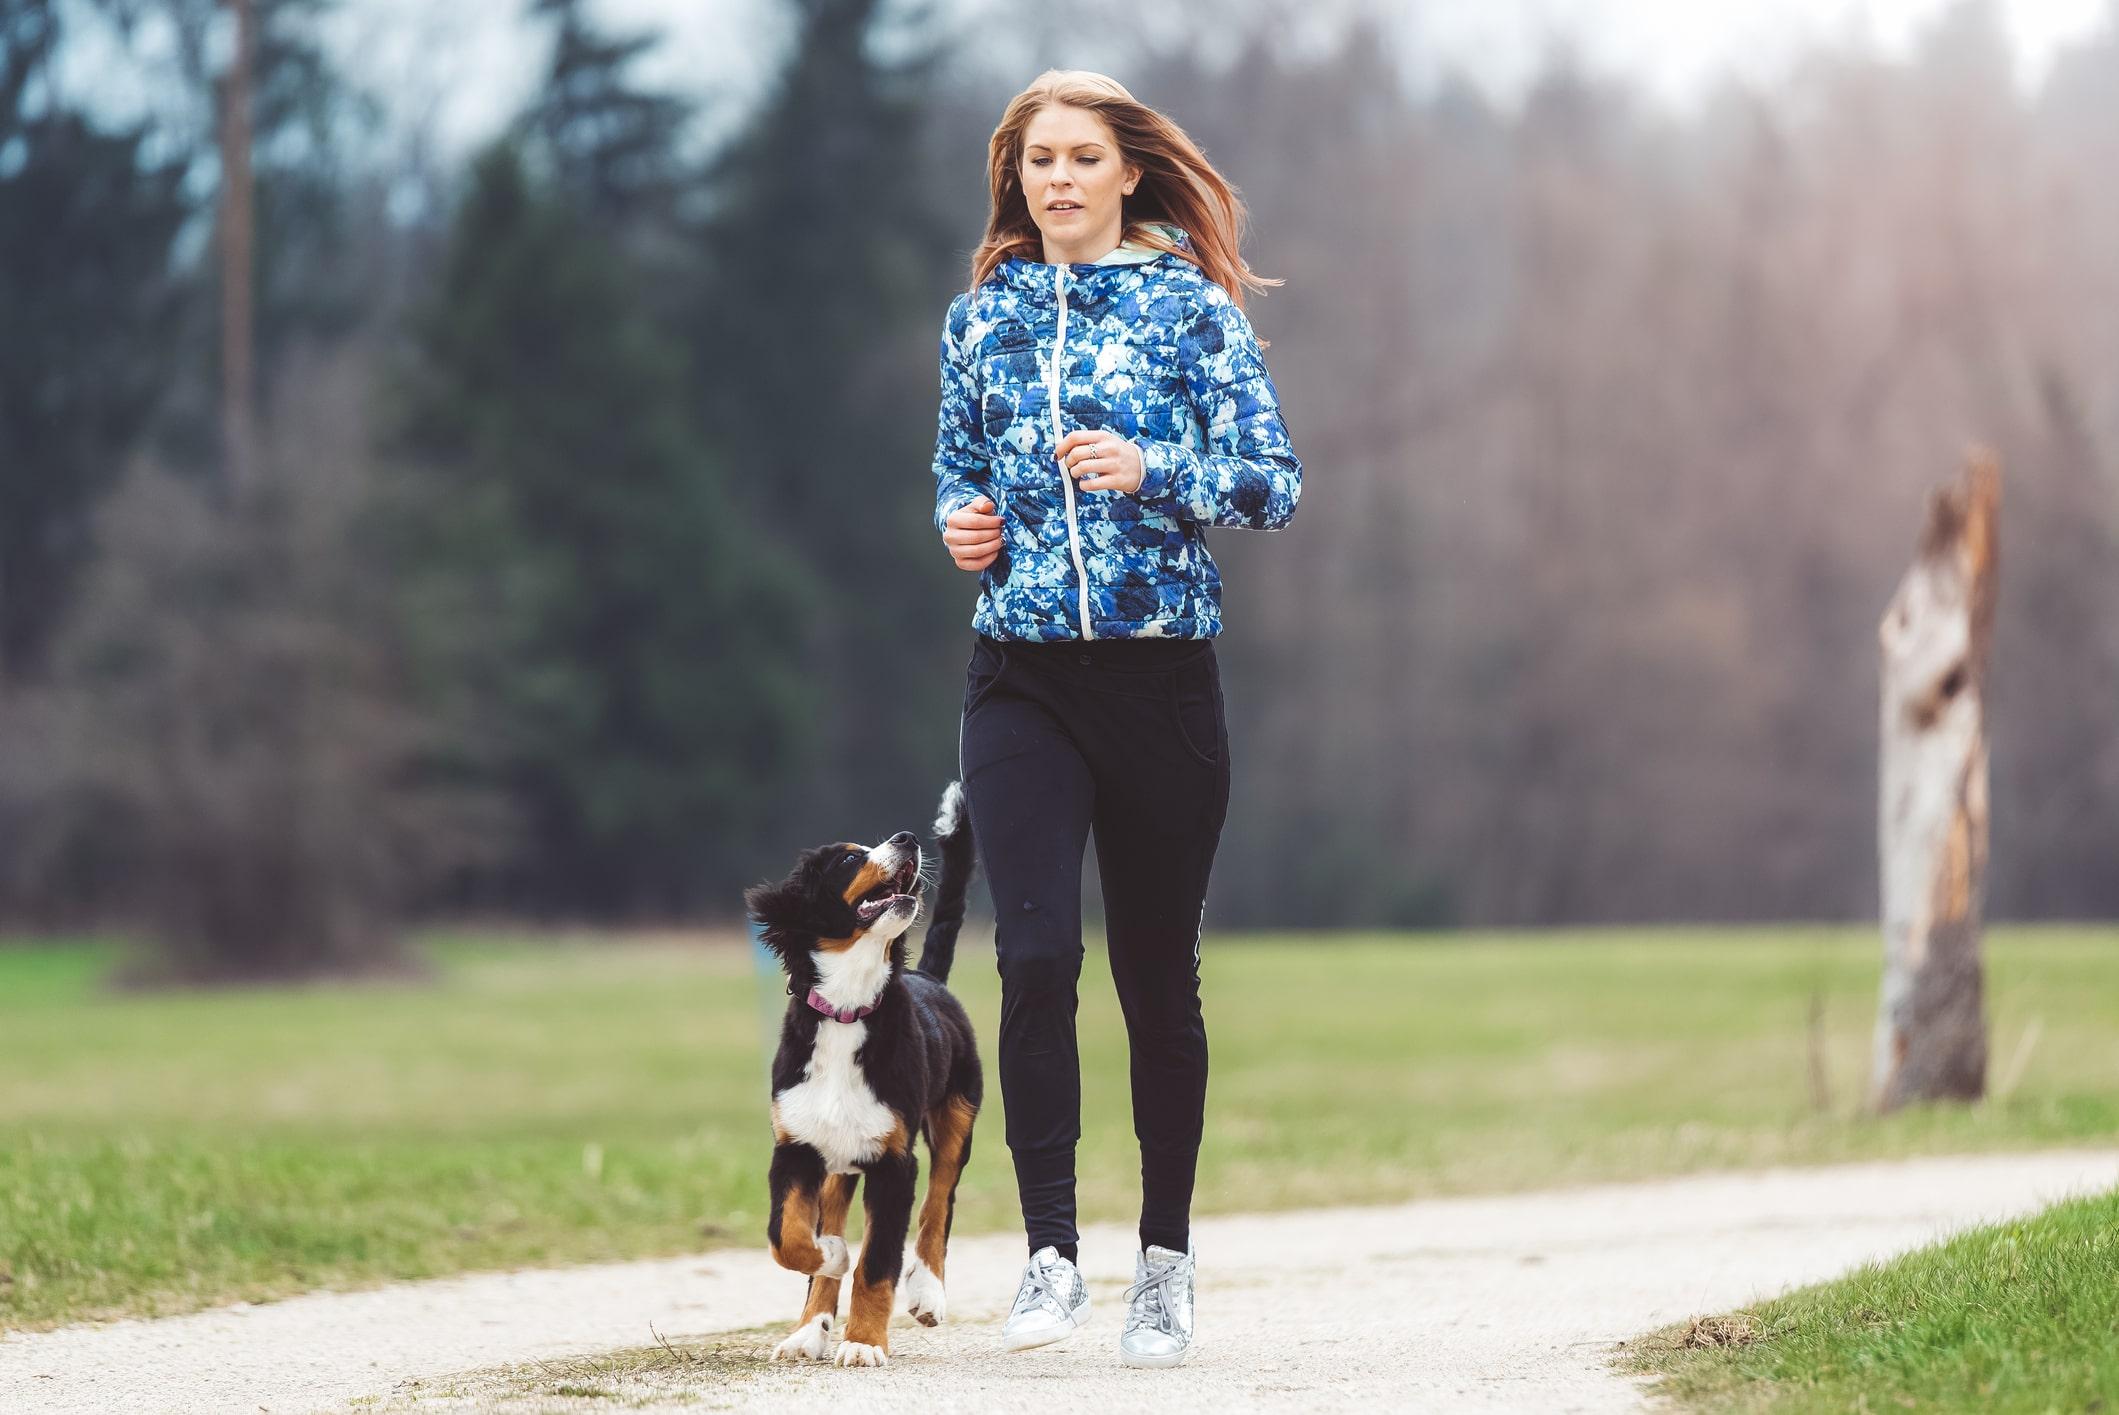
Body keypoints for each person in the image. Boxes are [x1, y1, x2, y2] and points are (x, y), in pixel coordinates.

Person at [932, 68, 1302, 1369]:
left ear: (1128, 171)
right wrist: (960, 523)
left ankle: (1164, 1265)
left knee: (1155, 978)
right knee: (1034, 956)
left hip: (1160, 685)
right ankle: (1049, 1255)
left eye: (1084, 157)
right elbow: (955, 472)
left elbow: (1272, 485)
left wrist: (1155, 471)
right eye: (1040, 160)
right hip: (1021, 679)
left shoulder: (1189, 309)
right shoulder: (981, 318)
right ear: (1017, 176)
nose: (1061, 179)